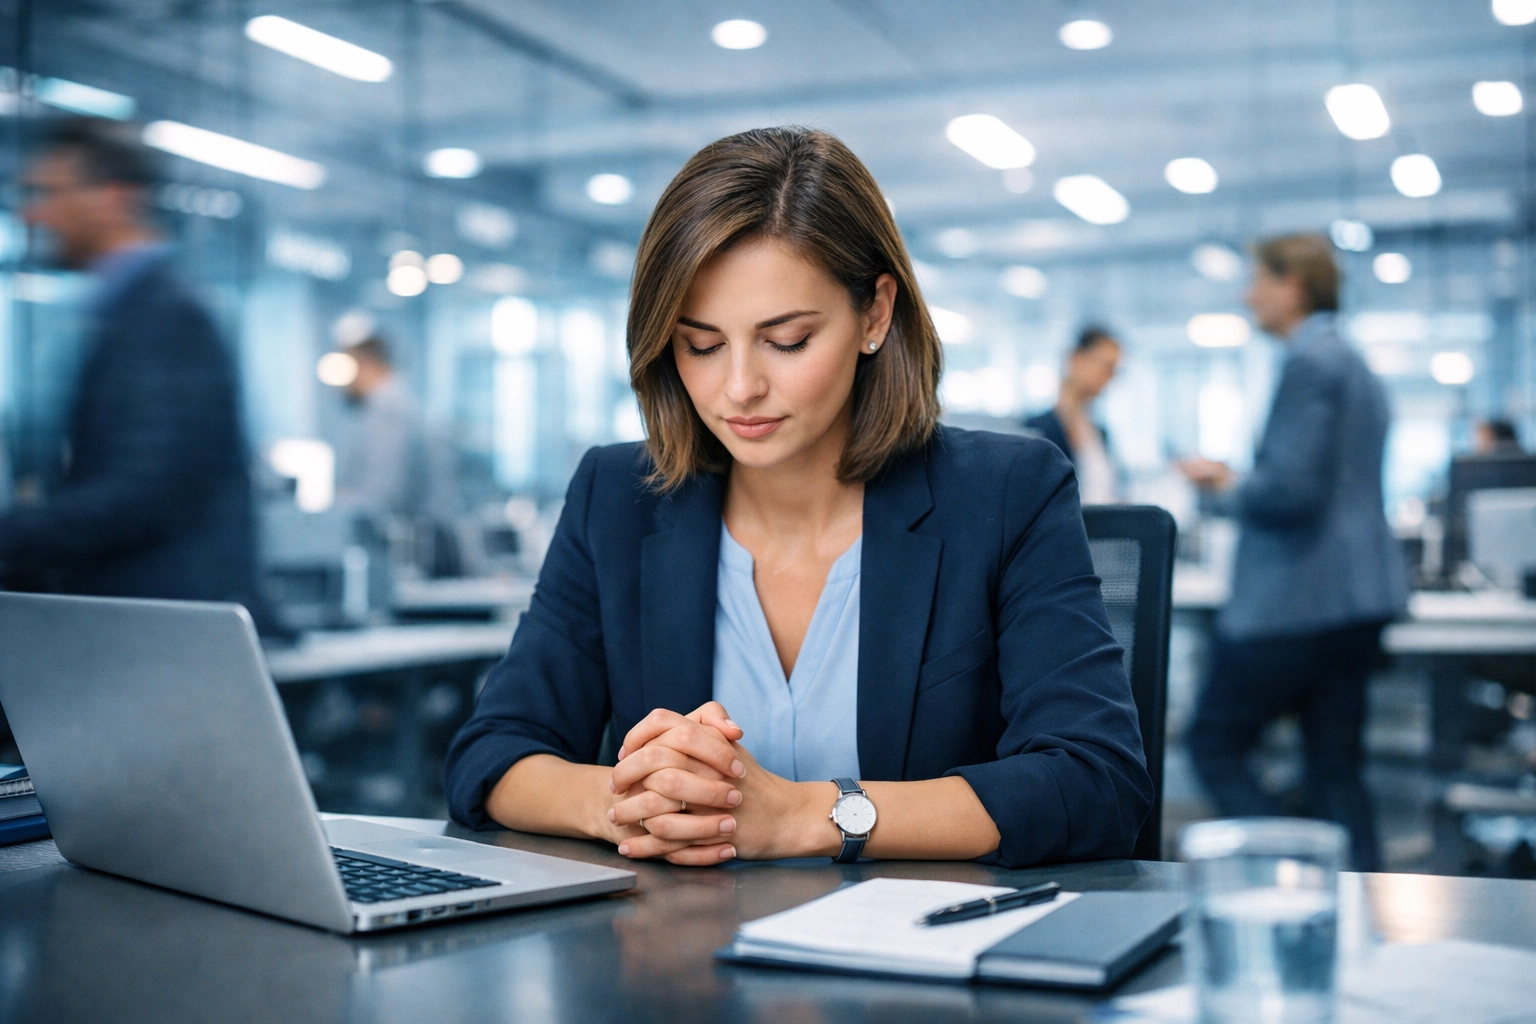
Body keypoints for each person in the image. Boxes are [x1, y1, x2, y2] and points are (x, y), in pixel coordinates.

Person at [444, 127, 1151, 869]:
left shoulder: (1006, 493)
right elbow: (491, 754)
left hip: (914, 963)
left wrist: (810, 816)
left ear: (875, 315)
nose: (740, 387)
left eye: (785, 340)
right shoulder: (618, 499)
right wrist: (626, 799)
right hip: (677, 962)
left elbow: (1095, 781)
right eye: (701, 344)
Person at [1180, 233, 1408, 871]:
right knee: (1336, 770)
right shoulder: (1354, 364)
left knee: (1214, 744)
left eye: (1259, 280)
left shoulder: (1310, 364)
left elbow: (1290, 491)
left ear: (1295, 286)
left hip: (1297, 597)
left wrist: (1221, 485)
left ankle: (1291, 870)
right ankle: (1359, 908)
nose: (1247, 293)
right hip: (1355, 599)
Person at [0, 118, 268, 619]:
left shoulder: (168, 316)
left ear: (114, 197)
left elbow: (142, 494)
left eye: (49, 193)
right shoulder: (121, 316)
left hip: (175, 633)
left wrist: (13, 534)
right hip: (148, 624)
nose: (34, 214)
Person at [331, 334, 459, 575]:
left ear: (367, 364)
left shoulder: (387, 411)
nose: (341, 383)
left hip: (417, 553)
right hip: (422, 545)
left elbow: (383, 493)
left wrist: (332, 505)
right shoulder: (401, 406)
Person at [1024, 326, 1122, 504]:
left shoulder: (1100, 433)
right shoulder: (1037, 430)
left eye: (1114, 370)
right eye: (1106, 366)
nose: (1109, 377)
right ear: (1075, 358)